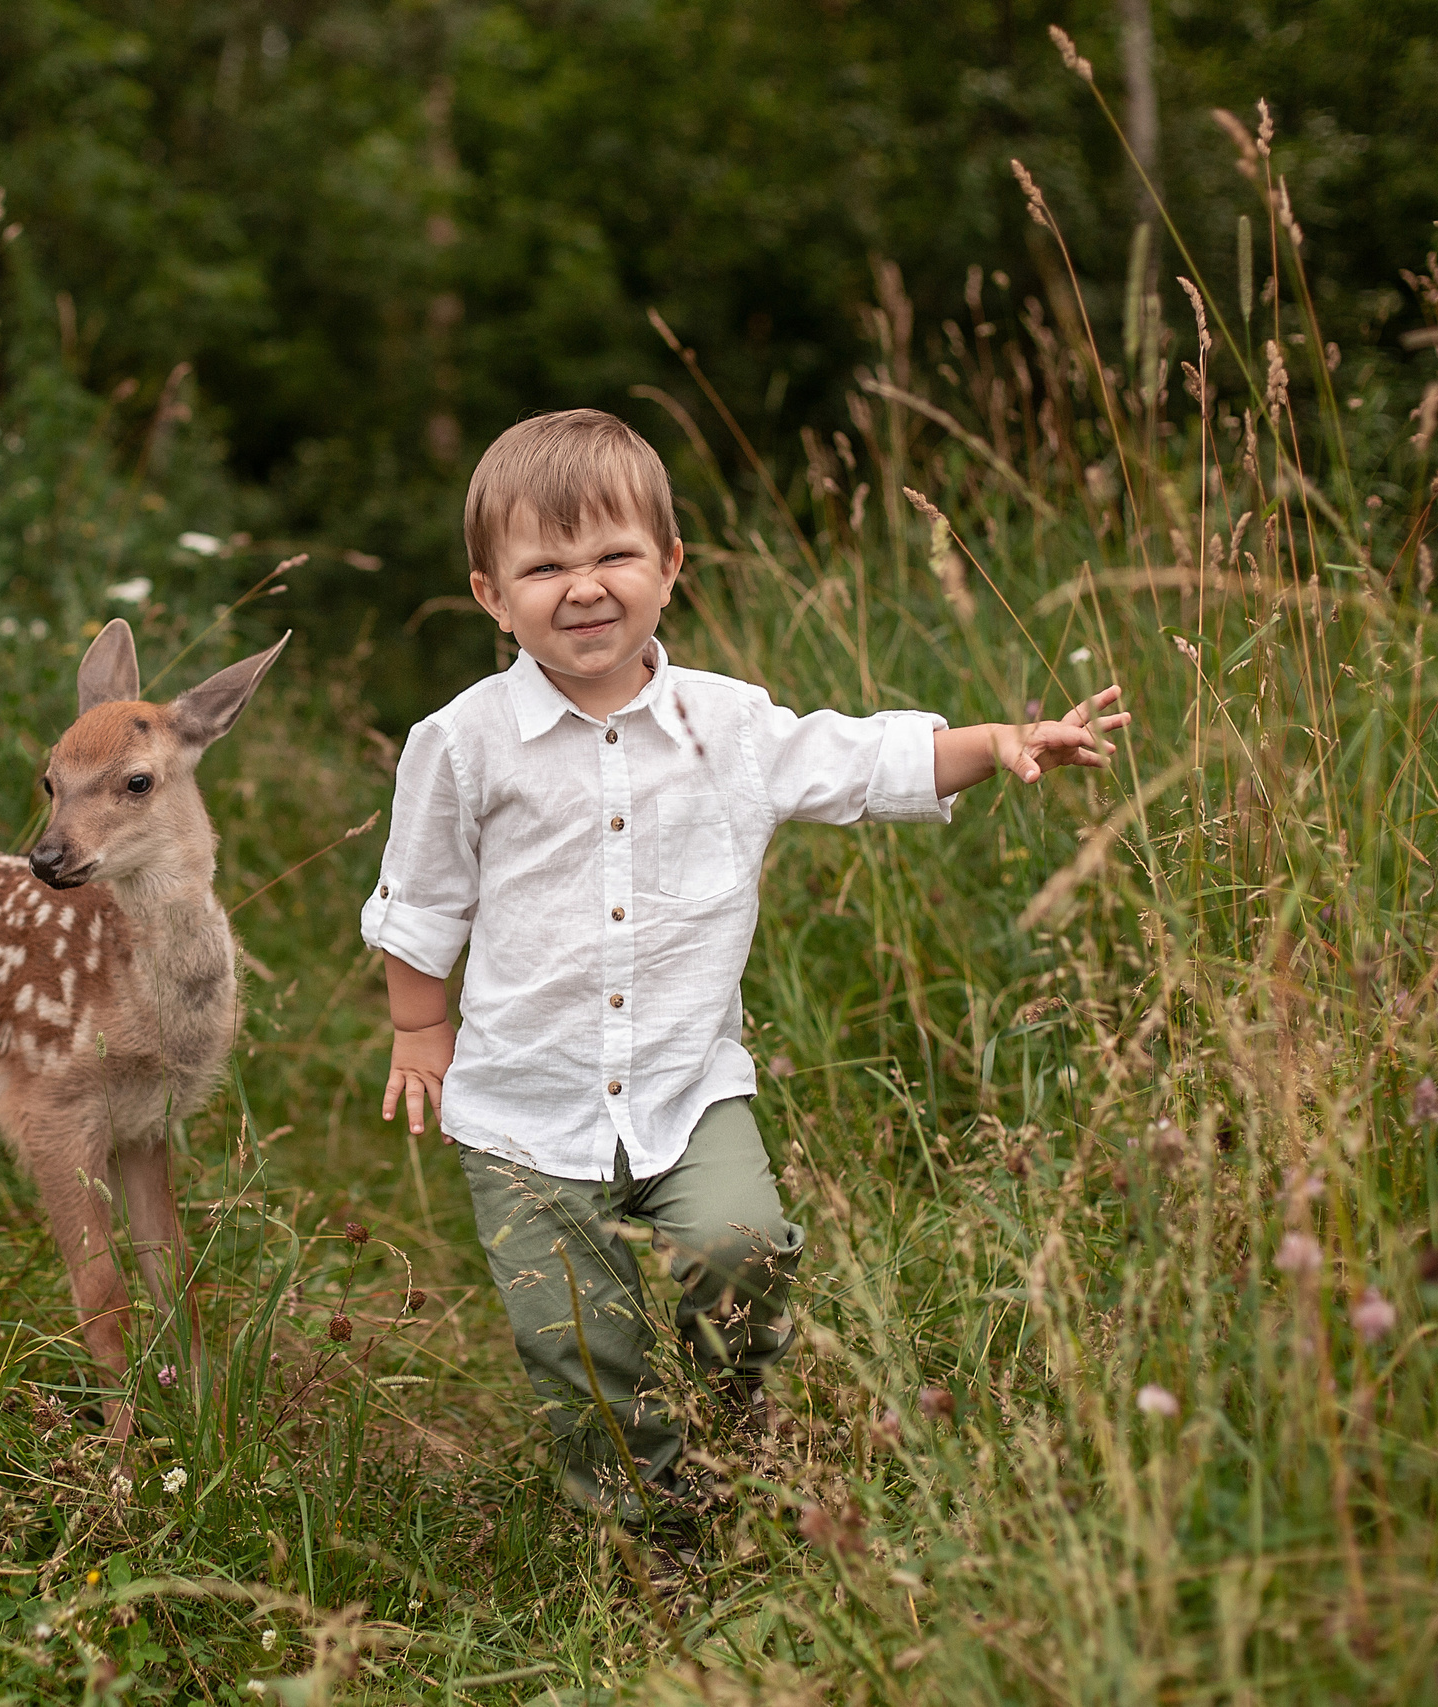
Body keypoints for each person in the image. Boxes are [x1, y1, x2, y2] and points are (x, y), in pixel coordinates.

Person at [360, 408, 1129, 1522]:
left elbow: (863, 760)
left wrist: (996, 743)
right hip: (524, 1103)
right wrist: (419, 1028)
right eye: (545, 567)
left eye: (614, 554)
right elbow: (423, 897)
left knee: (743, 1246)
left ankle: (734, 1403)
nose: (585, 587)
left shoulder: (730, 724)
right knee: (576, 1336)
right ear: (491, 594)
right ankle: (647, 1520)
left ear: (670, 566)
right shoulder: (461, 742)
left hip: (685, 1084)